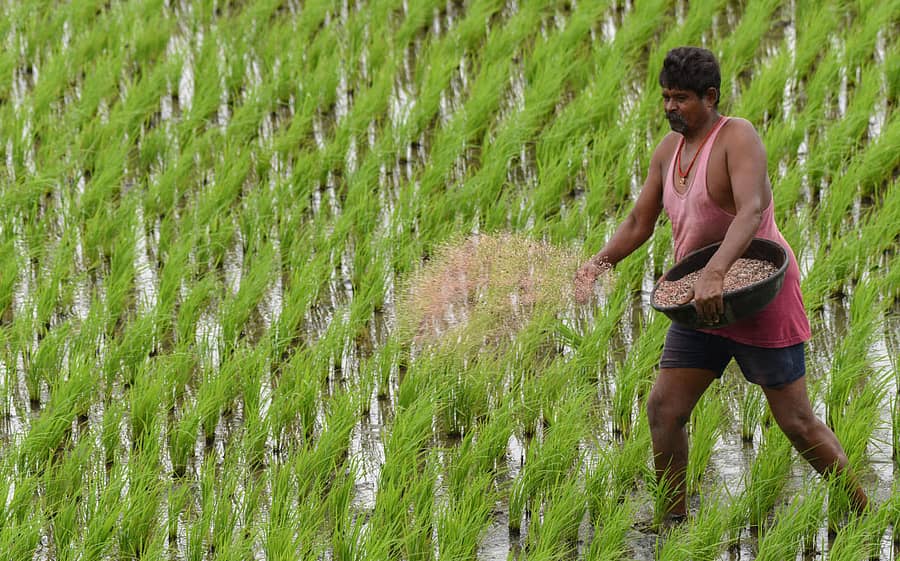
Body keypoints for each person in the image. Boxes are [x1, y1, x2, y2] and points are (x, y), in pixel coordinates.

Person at [574, 46, 868, 521]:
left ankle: (863, 513)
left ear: (710, 97)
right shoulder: (668, 150)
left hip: (760, 294)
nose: (671, 107)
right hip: (699, 303)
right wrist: (596, 266)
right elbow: (638, 221)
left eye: (682, 98)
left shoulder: (738, 138)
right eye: (666, 97)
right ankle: (672, 524)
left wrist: (716, 273)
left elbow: (751, 210)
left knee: (796, 422)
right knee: (664, 409)